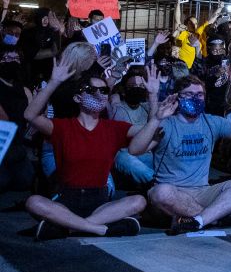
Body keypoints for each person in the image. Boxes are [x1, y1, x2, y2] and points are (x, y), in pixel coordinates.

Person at [23, 63, 147, 240]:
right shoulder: (63, 127)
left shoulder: (113, 128)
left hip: (99, 202)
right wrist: (53, 82)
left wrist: (155, 99)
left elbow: (146, 130)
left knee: (139, 201)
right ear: (77, 98)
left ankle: (68, 228)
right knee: (33, 202)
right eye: (91, 89)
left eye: (104, 91)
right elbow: (30, 116)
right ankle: (100, 229)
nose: (98, 94)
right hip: (66, 200)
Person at [129, 70, 231, 234]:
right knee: (161, 192)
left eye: (199, 94)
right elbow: (134, 150)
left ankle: (199, 220)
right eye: (189, 94)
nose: (195, 98)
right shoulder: (167, 124)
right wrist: (156, 117)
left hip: (202, 191)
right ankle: (216, 217)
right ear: (178, 97)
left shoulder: (211, 122)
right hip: (173, 193)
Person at [110, 69, 157, 188]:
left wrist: (153, 95)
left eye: (141, 86)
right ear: (125, 90)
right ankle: (156, 184)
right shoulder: (116, 107)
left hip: (147, 154)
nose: (137, 88)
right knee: (122, 156)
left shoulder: (147, 107)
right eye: (133, 86)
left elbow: (155, 125)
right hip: (125, 156)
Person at [0, 45, 34, 191]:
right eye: (6, 58)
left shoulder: (25, 90)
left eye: (16, 59)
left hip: (18, 144)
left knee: (25, 181)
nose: (12, 62)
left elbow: (32, 117)